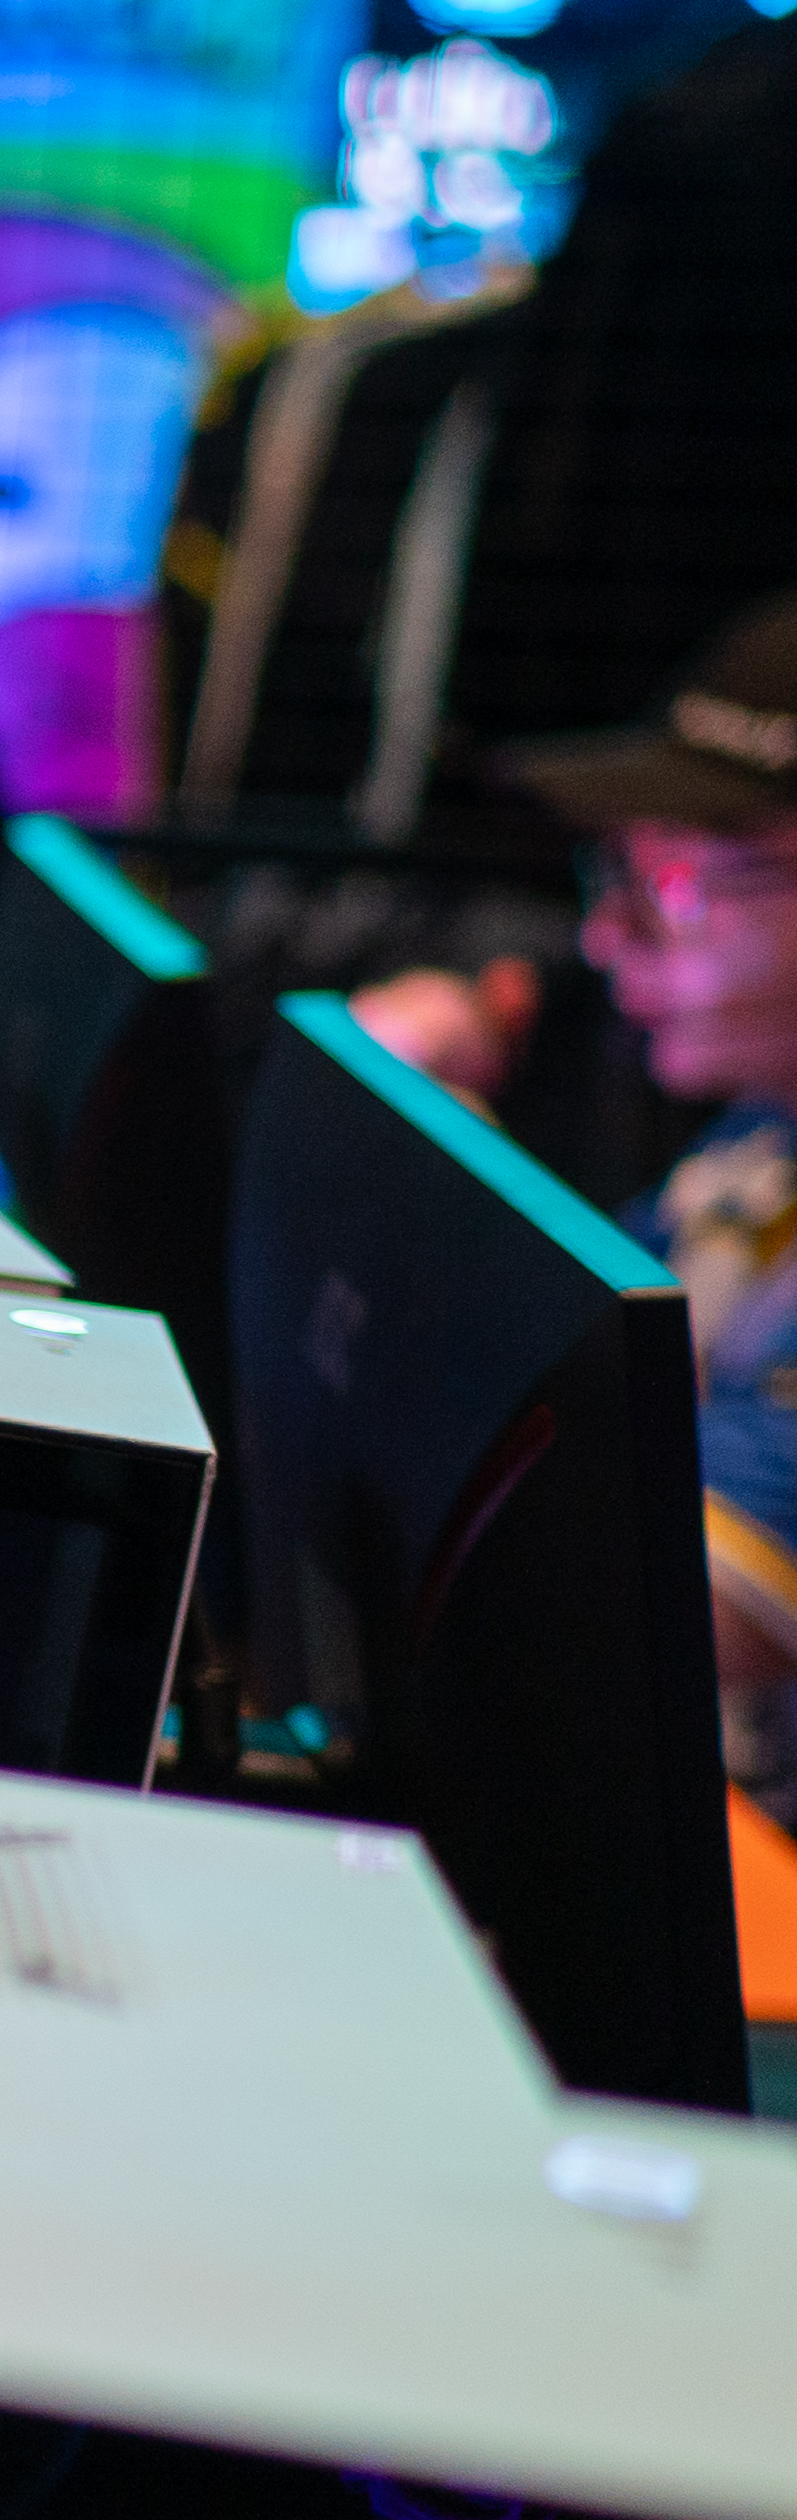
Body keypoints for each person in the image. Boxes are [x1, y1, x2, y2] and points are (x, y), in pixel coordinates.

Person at [360, 593, 797, 1795]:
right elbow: (568, 1400)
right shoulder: (762, 1136)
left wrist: (417, 1185)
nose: (606, 934)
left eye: (669, 877)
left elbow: (601, 1615)